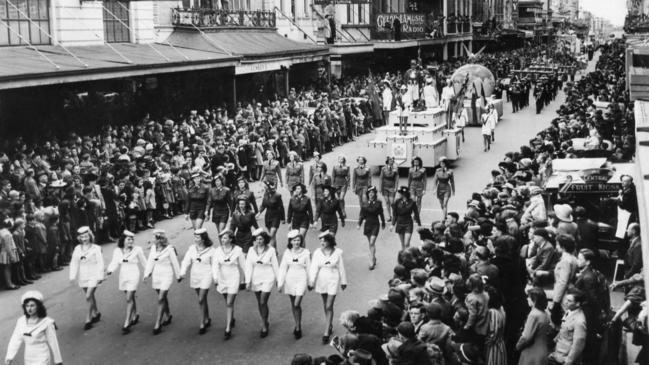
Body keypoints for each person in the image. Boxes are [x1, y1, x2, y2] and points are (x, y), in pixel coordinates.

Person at [5, 290, 62, 365]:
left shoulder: (47, 322)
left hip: (42, 354)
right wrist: (9, 356)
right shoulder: (21, 321)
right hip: (28, 355)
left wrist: (58, 360)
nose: (29, 309)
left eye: (32, 305)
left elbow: (53, 342)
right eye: (27, 306)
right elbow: (15, 339)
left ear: (38, 307)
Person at [309, 232, 347, 344]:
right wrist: (311, 281)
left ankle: (326, 331)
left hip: (333, 279)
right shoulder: (317, 253)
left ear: (330, 241)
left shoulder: (338, 253)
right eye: (321, 241)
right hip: (322, 279)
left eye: (324, 241)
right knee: (325, 304)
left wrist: (343, 281)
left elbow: (341, 268)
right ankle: (329, 325)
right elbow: (313, 268)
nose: (322, 243)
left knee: (329, 305)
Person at [106, 230, 146, 334]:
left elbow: (144, 262)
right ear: (123, 240)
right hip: (123, 275)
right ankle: (135, 314)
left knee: (129, 298)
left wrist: (147, 274)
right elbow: (114, 262)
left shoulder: (137, 249)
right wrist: (110, 270)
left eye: (132, 239)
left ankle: (127, 322)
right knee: (130, 297)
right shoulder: (118, 251)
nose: (131, 241)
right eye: (128, 239)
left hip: (134, 273)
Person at [143, 229, 180, 335]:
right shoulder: (154, 248)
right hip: (157, 275)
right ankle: (168, 316)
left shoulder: (169, 249)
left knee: (160, 298)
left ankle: (158, 323)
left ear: (159, 239)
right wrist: (146, 274)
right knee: (162, 297)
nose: (152, 240)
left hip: (166, 275)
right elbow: (150, 261)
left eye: (154, 237)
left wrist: (178, 275)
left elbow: (175, 262)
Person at [179, 228, 215, 335]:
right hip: (195, 275)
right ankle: (207, 318)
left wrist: (216, 278)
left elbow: (214, 266)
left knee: (201, 298)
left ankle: (202, 322)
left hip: (206, 275)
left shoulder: (211, 251)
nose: (195, 239)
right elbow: (186, 261)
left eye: (197, 237)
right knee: (202, 299)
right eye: (195, 237)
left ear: (203, 238)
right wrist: (182, 272)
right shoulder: (192, 249)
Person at [69, 226, 104, 331]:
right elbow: (74, 263)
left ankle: (88, 319)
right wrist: (72, 276)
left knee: (88, 296)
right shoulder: (77, 249)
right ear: (79, 238)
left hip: (94, 274)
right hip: (83, 275)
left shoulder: (96, 248)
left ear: (90, 236)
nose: (84, 239)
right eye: (82, 237)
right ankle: (96, 313)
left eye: (86, 236)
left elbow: (100, 263)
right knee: (90, 295)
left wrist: (100, 276)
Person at [212, 230, 245, 340]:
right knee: (227, 301)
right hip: (222, 277)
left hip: (233, 276)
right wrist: (216, 278)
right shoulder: (217, 251)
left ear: (231, 239)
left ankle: (227, 328)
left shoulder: (238, 250)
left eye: (225, 238)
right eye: (222, 238)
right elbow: (215, 265)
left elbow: (244, 266)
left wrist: (245, 280)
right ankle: (232, 317)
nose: (222, 240)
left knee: (229, 302)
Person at [245, 228, 279, 338]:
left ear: (265, 239)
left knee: (263, 301)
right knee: (260, 302)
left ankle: (264, 326)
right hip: (256, 277)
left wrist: (278, 279)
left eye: (261, 239)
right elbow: (248, 266)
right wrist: (248, 281)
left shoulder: (271, 250)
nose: (259, 241)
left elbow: (275, 265)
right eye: (257, 239)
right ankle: (265, 321)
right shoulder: (251, 250)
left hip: (268, 276)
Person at [277, 230, 311, 339]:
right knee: (293, 304)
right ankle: (298, 326)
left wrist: (310, 282)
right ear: (290, 242)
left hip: (301, 278)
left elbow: (309, 268)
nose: (297, 242)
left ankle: (298, 324)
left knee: (297, 304)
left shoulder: (306, 252)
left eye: (298, 240)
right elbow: (283, 268)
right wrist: (280, 283)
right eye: (294, 240)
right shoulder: (287, 253)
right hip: (290, 279)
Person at [549, 289, 587, 365]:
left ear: (577, 304)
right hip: (557, 355)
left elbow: (578, 345)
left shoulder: (579, 321)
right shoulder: (569, 312)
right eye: (566, 299)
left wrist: (568, 362)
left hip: (565, 359)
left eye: (569, 301)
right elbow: (563, 330)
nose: (565, 302)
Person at [516, 287, 551, 365]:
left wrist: (518, 346)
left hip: (531, 352)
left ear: (534, 300)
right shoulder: (545, 314)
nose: (527, 299)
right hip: (543, 350)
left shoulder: (533, 315)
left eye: (529, 297)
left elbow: (526, 337)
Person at [358, 186, 385, 270]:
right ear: (367, 194)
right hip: (367, 225)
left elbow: (381, 213)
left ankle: (371, 261)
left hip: (375, 224)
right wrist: (359, 224)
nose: (371, 194)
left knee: (372, 241)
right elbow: (362, 215)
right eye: (369, 193)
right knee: (371, 244)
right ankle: (374, 257)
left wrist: (383, 222)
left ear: (375, 194)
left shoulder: (378, 203)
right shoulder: (364, 203)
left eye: (372, 193)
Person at [206, 175, 232, 242]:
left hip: (224, 211)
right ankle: (222, 246)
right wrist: (207, 211)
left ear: (221, 181)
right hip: (215, 212)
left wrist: (232, 214)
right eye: (216, 181)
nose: (217, 182)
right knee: (219, 232)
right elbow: (209, 202)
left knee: (221, 230)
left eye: (218, 181)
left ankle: (226, 244)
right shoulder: (211, 190)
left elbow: (231, 203)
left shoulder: (227, 190)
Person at [379, 157, 398, 222]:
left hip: (392, 187)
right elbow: (381, 178)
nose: (391, 162)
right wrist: (380, 188)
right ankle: (389, 216)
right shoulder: (383, 168)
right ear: (387, 161)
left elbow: (397, 179)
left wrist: (396, 187)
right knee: (387, 202)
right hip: (384, 187)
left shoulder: (395, 169)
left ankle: (395, 214)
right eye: (390, 161)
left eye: (392, 161)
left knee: (392, 202)